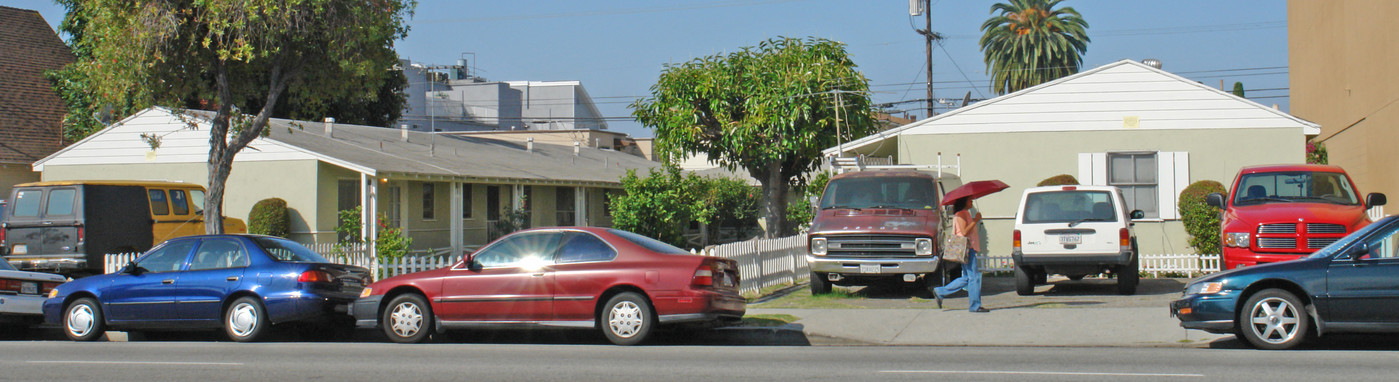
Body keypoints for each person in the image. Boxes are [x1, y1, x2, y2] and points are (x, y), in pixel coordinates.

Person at [935, 198, 989, 313]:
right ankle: (975, 305)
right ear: (964, 202)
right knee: (974, 277)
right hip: (967, 248)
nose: (972, 202)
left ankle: (940, 291)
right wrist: (975, 220)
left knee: (967, 277)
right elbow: (964, 232)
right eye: (970, 201)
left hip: (969, 248)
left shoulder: (964, 214)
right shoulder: (961, 214)